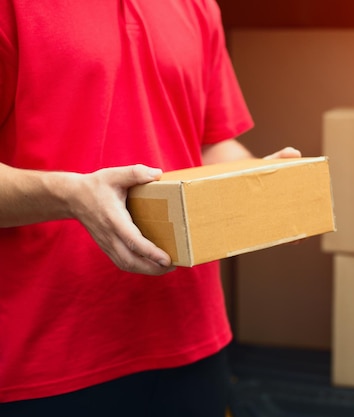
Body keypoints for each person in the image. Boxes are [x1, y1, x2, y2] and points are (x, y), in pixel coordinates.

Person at [0, 1, 300, 416]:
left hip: (190, 338)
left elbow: (209, 143)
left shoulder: (196, 5)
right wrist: (69, 194)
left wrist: (258, 182)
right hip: (47, 355)